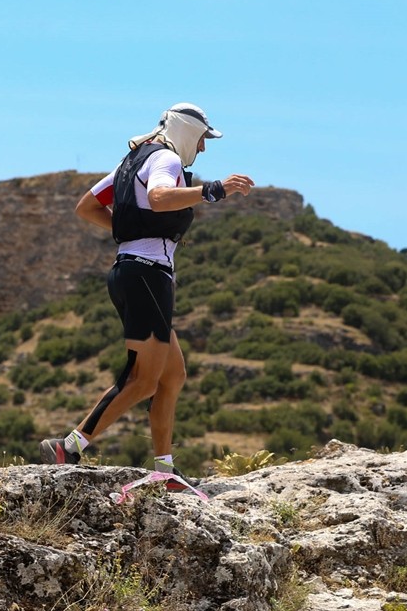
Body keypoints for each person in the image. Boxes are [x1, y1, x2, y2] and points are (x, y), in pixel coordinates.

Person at [39, 103, 254, 488]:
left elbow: (86, 206)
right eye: (203, 139)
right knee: (142, 380)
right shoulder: (167, 160)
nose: (203, 149)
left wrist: (129, 232)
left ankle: (165, 471)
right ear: (189, 132)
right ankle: (69, 445)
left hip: (132, 272)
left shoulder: (131, 162)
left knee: (173, 375)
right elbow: (158, 198)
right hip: (146, 276)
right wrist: (213, 190)